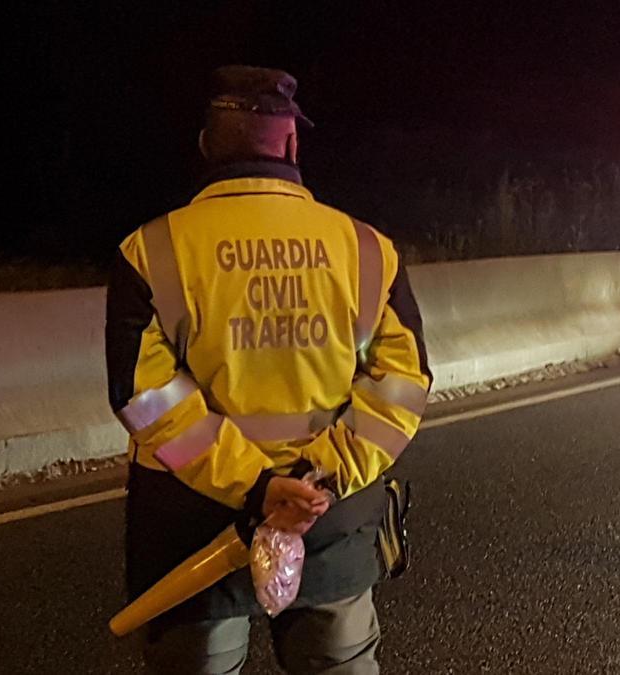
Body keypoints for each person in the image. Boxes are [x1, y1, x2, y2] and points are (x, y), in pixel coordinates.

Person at [106, 65, 431, 674]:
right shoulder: (366, 249)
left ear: (206, 146)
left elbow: (144, 396)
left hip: (193, 529)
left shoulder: (150, 251)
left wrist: (254, 488)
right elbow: (402, 384)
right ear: (291, 144)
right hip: (327, 517)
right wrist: (316, 481)